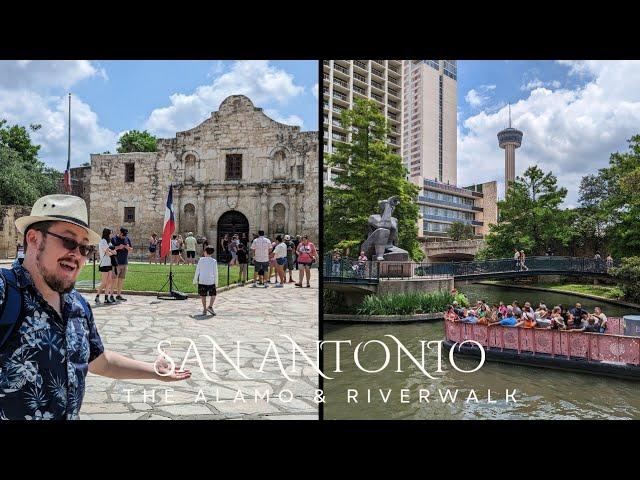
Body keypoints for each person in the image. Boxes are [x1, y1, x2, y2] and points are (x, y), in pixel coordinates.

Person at [0, 194, 190, 420]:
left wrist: (154, 371)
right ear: (33, 239)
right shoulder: (5, 292)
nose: (77, 255)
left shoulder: (77, 305)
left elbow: (99, 361)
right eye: (69, 242)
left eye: (84, 249)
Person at [193, 246, 218, 316]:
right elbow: (216, 273)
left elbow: (197, 270)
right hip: (211, 281)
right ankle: (210, 306)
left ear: (205, 252)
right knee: (213, 294)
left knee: (203, 295)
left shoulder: (201, 260)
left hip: (202, 280)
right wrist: (216, 283)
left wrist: (195, 280)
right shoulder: (214, 261)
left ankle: (204, 309)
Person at [111, 227, 133, 301]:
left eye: (125, 235)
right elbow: (110, 249)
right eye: (123, 235)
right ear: (120, 233)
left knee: (121, 279)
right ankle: (111, 295)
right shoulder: (114, 239)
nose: (124, 237)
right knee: (114, 279)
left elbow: (131, 249)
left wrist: (128, 248)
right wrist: (118, 247)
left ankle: (119, 295)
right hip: (116, 262)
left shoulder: (127, 238)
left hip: (124, 262)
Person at [96, 228, 117, 304]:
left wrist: (112, 252)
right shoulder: (103, 241)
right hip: (104, 264)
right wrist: (113, 252)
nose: (111, 235)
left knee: (109, 281)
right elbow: (108, 253)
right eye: (110, 233)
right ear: (107, 234)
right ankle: (97, 296)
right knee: (104, 282)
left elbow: (112, 250)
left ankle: (106, 298)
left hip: (109, 263)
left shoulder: (109, 242)